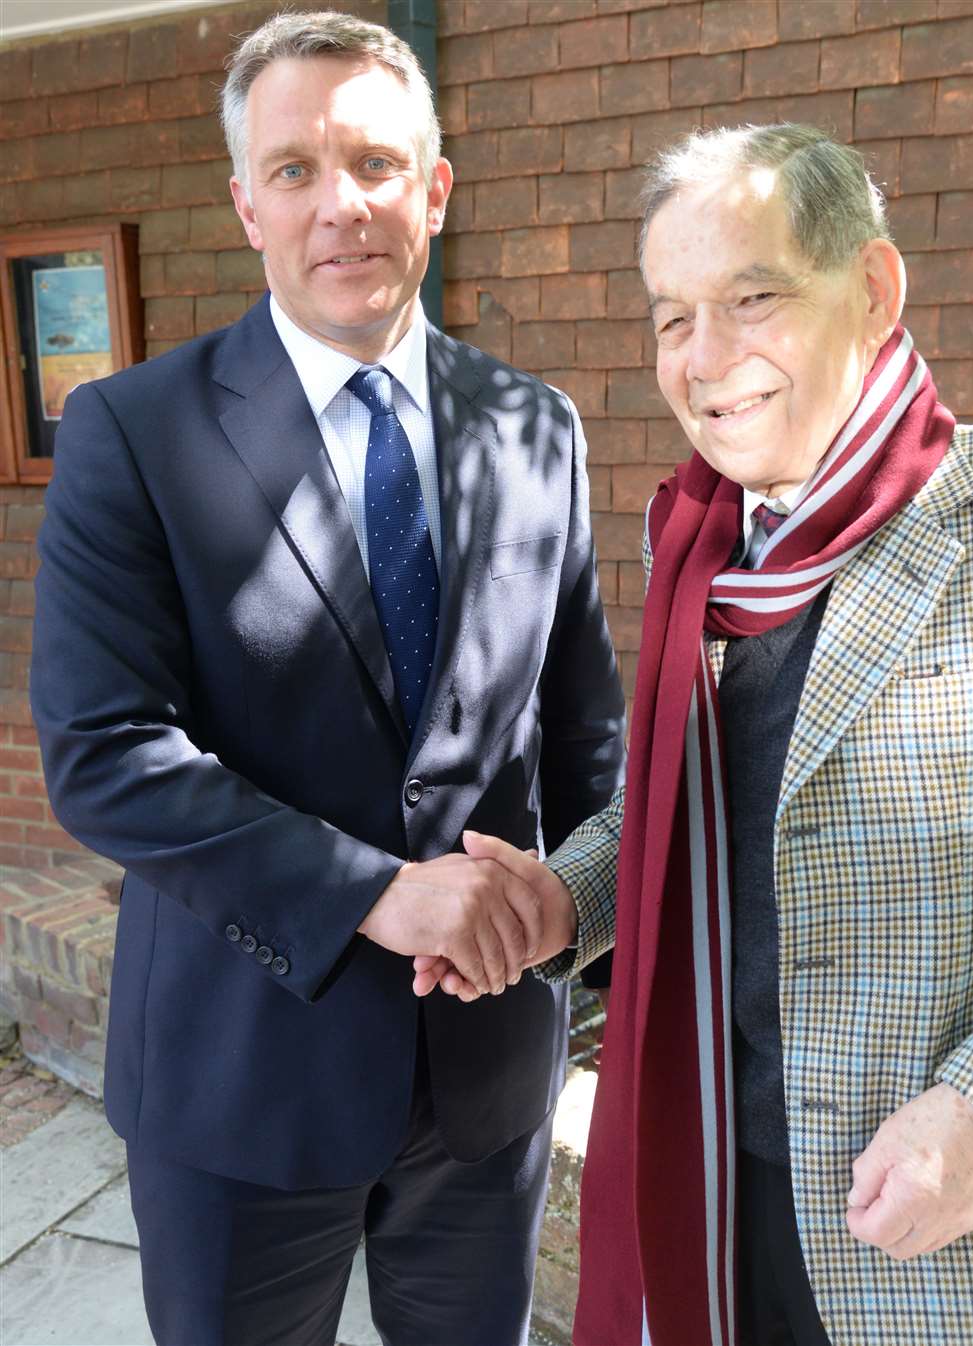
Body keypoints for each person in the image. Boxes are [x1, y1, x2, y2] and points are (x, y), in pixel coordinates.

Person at [422, 125, 973, 1346]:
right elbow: (683, 814)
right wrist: (559, 899)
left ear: (874, 291)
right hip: (719, 1184)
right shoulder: (702, 549)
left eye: (751, 297)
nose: (706, 357)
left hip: (939, 1227)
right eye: (672, 316)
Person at [29, 12, 624, 1346]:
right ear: (246, 205)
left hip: (488, 1075)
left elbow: (588, 734)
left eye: (372, 162)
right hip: (241, 1078)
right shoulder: (134, 432)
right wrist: (379, 895)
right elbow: (104, 748)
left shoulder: (536, 426)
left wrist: (572, 912)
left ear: (435, 188)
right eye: (294, 169)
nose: (340, 205)